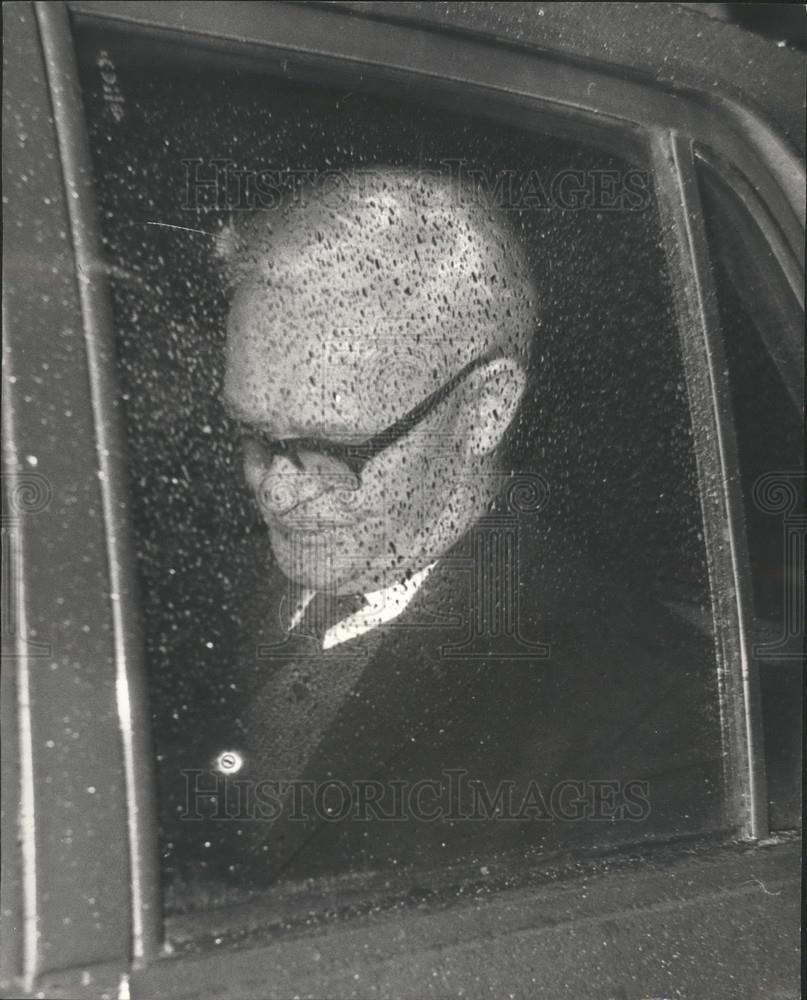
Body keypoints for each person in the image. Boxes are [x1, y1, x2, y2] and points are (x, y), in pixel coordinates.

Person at [184, 167, 722, 886]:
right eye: (252, 432)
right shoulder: (179, 593)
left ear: (484, 408)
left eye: (331, 448)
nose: (276, 489)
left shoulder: (643, 713)